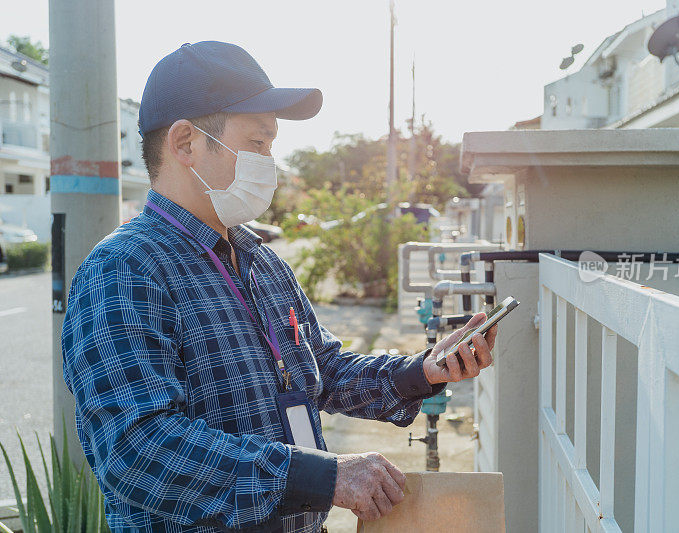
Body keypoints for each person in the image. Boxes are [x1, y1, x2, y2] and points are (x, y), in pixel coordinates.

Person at [61, 41, 497, 533]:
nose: (270, 162)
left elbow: (320, 370)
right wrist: (323, 477)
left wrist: (422, 371)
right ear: (185, 143)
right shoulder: (124, 270)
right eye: (257, 143)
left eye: (271, 146)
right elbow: (138, 450)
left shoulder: (260, 260)